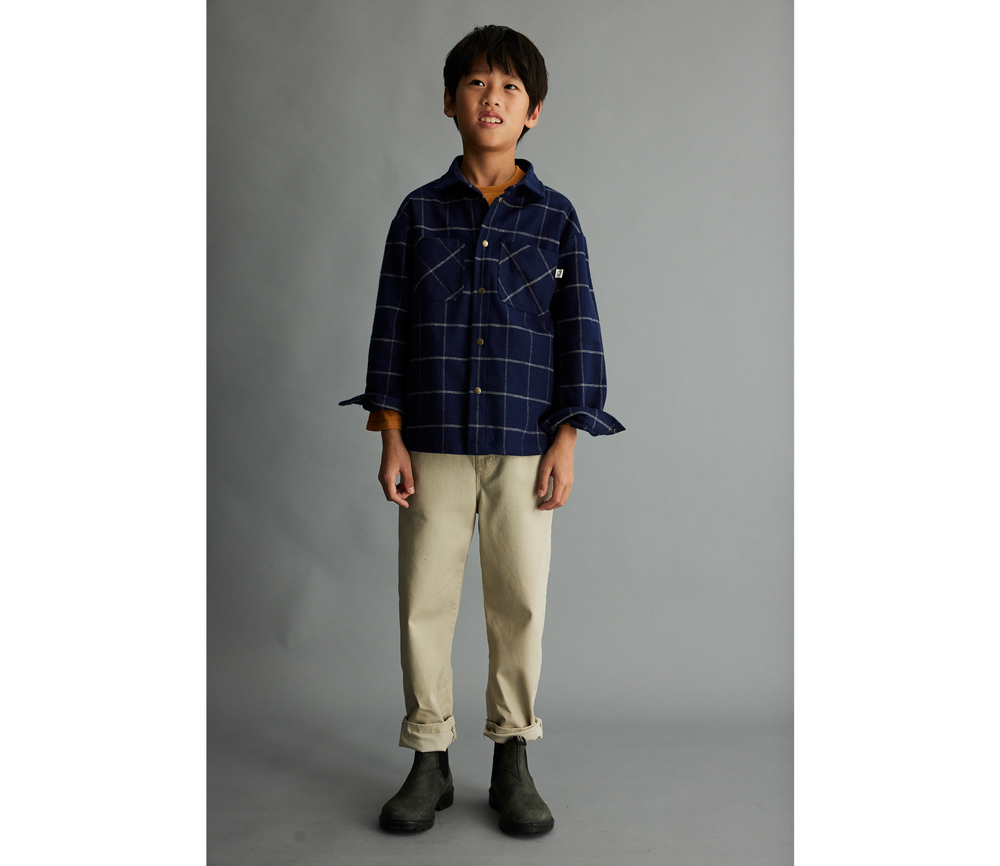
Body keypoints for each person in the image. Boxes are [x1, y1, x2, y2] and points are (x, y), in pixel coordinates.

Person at [340, 24, 623, 835]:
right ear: (448, 102)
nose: (490, 98)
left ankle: (513, 757)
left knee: (519, 603)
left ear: (533, 111)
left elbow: (578, 330)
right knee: (424, 602)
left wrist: (566, 439)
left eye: (508, 87)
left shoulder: (556, 220)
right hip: (431, 440)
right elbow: (392, 326)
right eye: (475, 83)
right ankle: (428, 755)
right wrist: (391, 434)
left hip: (525, 444)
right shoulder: (419, 214)